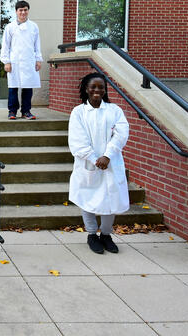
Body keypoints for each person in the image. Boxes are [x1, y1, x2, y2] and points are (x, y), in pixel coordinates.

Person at [68, 72, 130, 254]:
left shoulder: (115, 111)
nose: (97, 90)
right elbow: (77, 140)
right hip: (88, 164)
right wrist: (95, 158)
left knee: (110, 197)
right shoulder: (78, 112)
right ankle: (91, 235)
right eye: (93, 87)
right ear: (86, 89)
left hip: (111, 162)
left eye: (101, 87)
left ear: (105, 90)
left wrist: (108, 155)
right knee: (87, 196)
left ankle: (106, 234)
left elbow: (121, 134)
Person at [0, 0, 42, 120]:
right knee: (13, 87)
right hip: (14, 62)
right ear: (16, 12)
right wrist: (6, 61)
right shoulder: (10, 27)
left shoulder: (33, 27)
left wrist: (38, 60)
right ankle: (12, 111)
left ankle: (26, 111)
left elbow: (37, 45)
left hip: (29, 61)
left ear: (28, 11)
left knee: (28, 87)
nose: (23, 12)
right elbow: (6, 46)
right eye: (20, 10)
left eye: (25, 10)